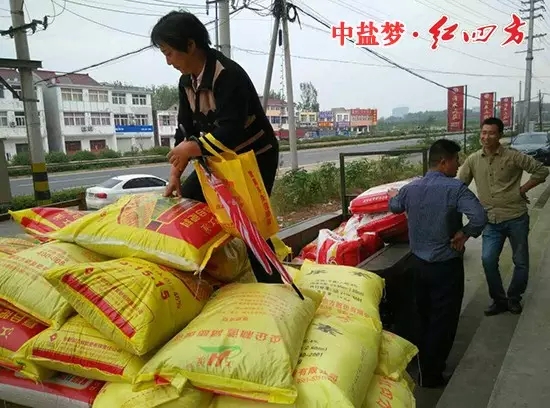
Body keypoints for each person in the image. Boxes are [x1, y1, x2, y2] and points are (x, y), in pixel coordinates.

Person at [150, 11, 282, 283]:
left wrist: (190, 148)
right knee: (187, 206)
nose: (168, 61)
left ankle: (275, 289)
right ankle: (202, 279)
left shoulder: (228, 75)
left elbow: (230, 132)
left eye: (170, 53)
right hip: (217, 158)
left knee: (251, 226)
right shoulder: (186, 81)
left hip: (253, 156)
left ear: (190, 45)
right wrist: (176, 173)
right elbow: (185, 129)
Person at [388, 139, 487, 388]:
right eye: (456, 160)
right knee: (443, 320)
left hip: (417, 264)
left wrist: (394, 197)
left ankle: (418, 365)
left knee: (420, 315)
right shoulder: (455, 189)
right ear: (444, 162)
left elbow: (394, 206)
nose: (458, 165)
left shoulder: (411, 188)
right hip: (446, 267)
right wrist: (464, 234)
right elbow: (479, 217)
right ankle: (432, 374)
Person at [458, 117, 549, 316]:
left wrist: (523, 188)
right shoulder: (473, 159)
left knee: (521, 261)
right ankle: (499, 300)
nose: (486, 137)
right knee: (488, 260)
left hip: (516, 217)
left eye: (491, 133)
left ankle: (514, 298)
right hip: (491, 221)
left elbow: (541, 170)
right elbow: (459, 185)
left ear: (500, 135)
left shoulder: (513, 156)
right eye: (483, 132)